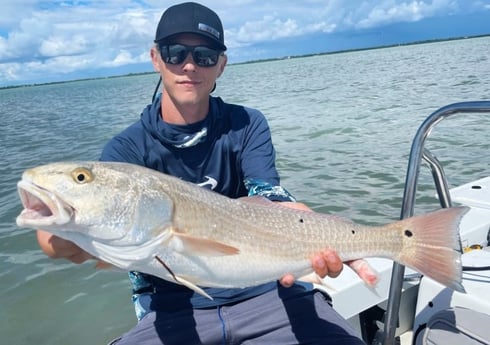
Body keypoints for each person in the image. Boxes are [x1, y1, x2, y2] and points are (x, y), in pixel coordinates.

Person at [37, 2, 370, 344]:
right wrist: (67, 233)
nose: (190, 65)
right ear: (156, 58)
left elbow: (268, 196)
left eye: (205, 56)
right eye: (175, 52)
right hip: (167, 309)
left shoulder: (246, 124)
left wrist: (328, 231)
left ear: (221, 65)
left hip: (267, 295)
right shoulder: (126, 153)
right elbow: (92, 242)